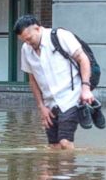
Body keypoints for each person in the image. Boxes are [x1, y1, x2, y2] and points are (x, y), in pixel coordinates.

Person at [15, 14, 95, 151]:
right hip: (49, 103)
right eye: (24, 41)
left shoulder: (60, 36)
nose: (28, 43)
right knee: (54, 147)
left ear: (38, 28)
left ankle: (68, 171)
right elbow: (32, 79)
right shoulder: (26, 50)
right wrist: (41, 107)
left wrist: (86, 88)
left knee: (64, 142)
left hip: (71, 97)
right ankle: (58, 171)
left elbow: (83, 59)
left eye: (29, 39)